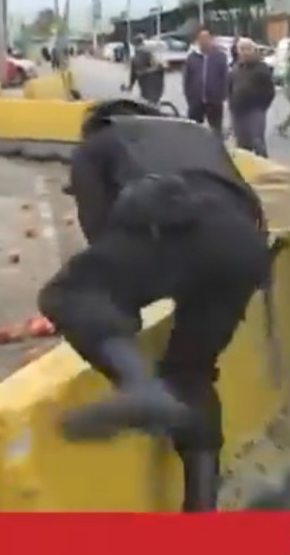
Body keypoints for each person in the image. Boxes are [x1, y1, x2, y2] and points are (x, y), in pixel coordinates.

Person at [38, 98, 273, 512]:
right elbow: (250, 203)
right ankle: (200, 510)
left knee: (70, 293)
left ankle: (140, 388)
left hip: (169, 230)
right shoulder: (198, 136)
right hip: (243, 246)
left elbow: (100, 232)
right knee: (191, 373)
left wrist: (116, 314)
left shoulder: (98, 144)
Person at [228, 39, 276, 156]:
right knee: (242, 143)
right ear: (238, 52)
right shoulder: (235, 68)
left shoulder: (261, 68)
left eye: (248, 49)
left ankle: (264, 166)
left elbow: (270, 90)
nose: (245, 52)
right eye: (242, 49)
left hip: (255, 109)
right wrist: (231, 104)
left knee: (257, 140)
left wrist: (263, 105)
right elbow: (229, 87)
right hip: (238, 111)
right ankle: (245, 169)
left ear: (253, 50)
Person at [183, 29, 230, 136]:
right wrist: (189, 96)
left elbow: (225, 77)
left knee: (216, 129)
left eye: (206, 39)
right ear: (197, 41)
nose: (204, 41)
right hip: (196, 101)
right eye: (201, 39)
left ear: (211, 40)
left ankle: (216, 149)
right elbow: (187, 79)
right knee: (193, 129)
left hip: (214, 101)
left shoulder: (220, 56)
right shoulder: (192, 58)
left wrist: (222, 95)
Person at [128, 35, 165, 105]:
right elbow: (160, 67)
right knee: (150, 103)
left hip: (148, 85)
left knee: (147, 104)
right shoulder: (148, 55)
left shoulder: (142, 56)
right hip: (152, 86)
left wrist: (130, 86)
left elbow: (133, 75)